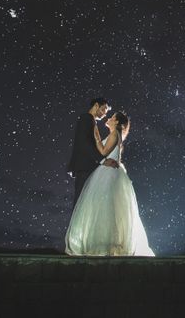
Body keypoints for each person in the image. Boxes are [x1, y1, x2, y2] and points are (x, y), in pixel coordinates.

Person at [65, 112, 155, 256]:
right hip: (110, 172)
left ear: (118, 123)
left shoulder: (114, 134)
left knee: (104, 207)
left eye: (112, 118)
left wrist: (95, 135)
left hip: (108, 173)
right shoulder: (116, 134)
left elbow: (103, 151)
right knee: (108, 208)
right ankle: (107, 244)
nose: (109, 119)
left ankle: (104, 245)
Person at [66, 98, 119, 207]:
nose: (105, 114)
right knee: (81, 203)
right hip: (84, 166)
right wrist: (102, 160)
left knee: (85, 202)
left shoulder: (90, 120)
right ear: (96, 105)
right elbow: (84, 142)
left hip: (87, 166)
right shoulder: (86, 118)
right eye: (104, 109)